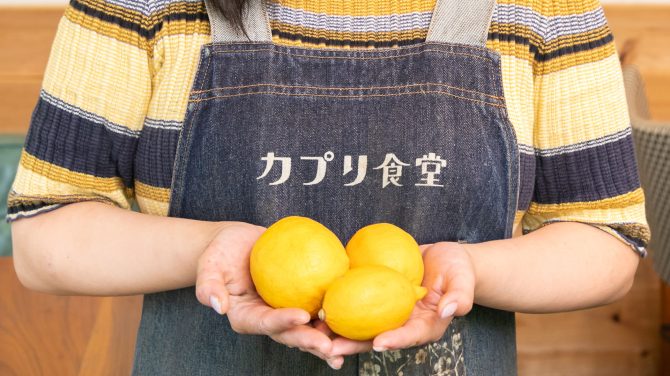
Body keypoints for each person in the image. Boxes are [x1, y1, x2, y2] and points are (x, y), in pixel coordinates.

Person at [8, 0, 649, 374]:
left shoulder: (544, 10)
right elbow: (46, 235)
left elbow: (607, 241)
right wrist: (218, 251)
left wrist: (466, 271)